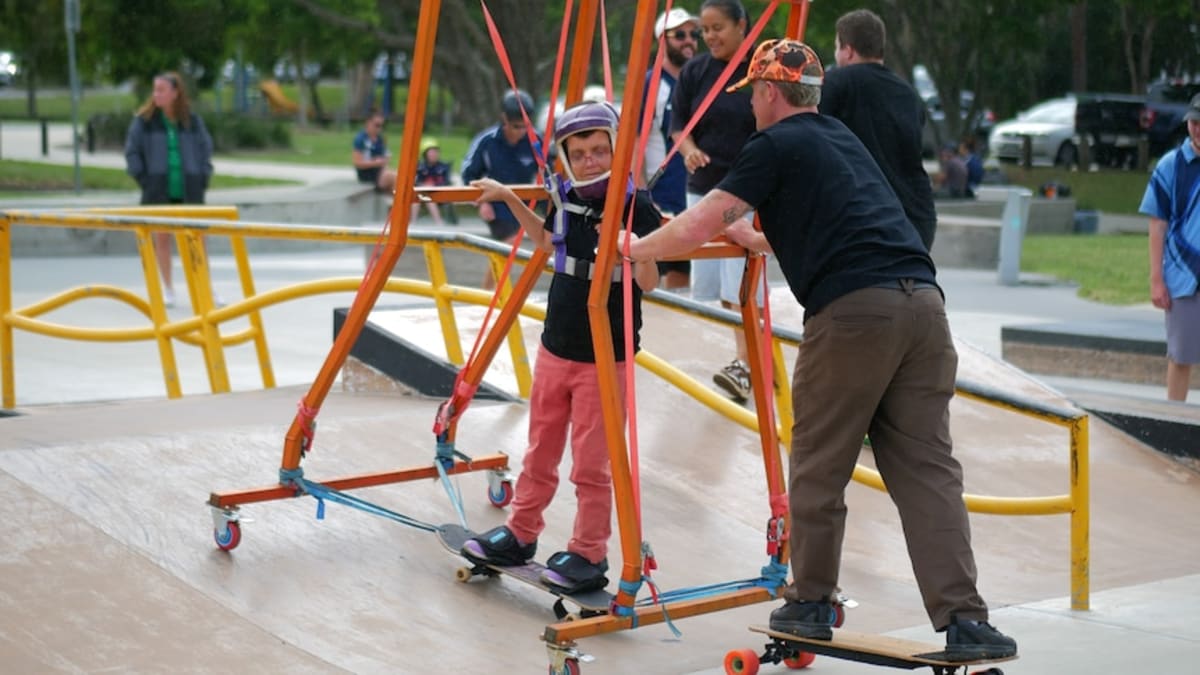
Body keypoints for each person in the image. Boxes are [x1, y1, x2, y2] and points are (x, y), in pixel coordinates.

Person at [620, 38, 1018, 660]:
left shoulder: (773, 143)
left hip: (855, 314)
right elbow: (840, 220)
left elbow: (704, 218)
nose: (751, 107)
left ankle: (808, 603)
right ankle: (967, 620)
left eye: (753, 95)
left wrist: (636, 249)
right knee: (927, 473)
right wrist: (757, 237)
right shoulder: (840, 138)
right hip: (924, 309)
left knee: (818, 464)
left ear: (769, 92)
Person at [460, 101, 661, 593]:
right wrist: (510, 198)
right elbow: (547, 240)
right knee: (540, 451)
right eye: (580, 153)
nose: (591, 161)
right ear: (567, 158)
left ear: (617, 150)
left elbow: (651, 283)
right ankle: (521, 532)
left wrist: (634, 248)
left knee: (592, 464)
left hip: (605, 357)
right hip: (556, 349)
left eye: (600, 151)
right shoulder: (566, 197)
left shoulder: (638, 206)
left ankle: (589, 552)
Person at [671, 0, 763, 402]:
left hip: (746, 191)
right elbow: (678, 126)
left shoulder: (761, 69)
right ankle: (748, 360)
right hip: (704, 189)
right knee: (713, 288)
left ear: (741, 25)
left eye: (716, 28)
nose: (708, 37)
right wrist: (689, 150)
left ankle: (747, 363)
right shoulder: (695, 72)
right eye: (704, 30)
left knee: (741, 282)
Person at [819, 9, 938, 250]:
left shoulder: (836, 83)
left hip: (863, 220)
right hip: (916, 219)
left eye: (837, 47)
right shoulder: (909, 94)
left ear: (848, 50)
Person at [124, 71, 215, 309]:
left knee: (197, 240)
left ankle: (205, 287)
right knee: (162, 239)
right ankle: (168, 288)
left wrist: (203, 176)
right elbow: (132, 151)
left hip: (190, 188)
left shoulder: (192, 121)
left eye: (162, 90)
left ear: (175, 93)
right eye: (155, 90)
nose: (157, 95)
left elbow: (205, 148)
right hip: (158, 189)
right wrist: (144, 179)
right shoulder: (144, 122)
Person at [1139, 93, 1200, 402]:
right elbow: (1157, 224)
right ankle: (1172, 422)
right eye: (1194, 122)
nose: (1198, 129)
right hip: (1183, 278)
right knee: (1180, 357)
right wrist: (1156, 279)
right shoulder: (1171, 165)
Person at [641, 7, 700, 291]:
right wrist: (641, 197)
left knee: (686, 281)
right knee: (654, 282)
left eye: (693, 34)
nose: (689, 40)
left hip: (694, 197)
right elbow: (633, 145)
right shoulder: (650, 84)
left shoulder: (699, 81)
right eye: (680, 35)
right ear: (662, 40)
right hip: (661, 200)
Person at [461, 89, 542, 290]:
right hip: (495, 203)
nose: (521, 132)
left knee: (513, 247)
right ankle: (491, 292)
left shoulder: (535, 141)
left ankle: (492, 291)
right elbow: (469, 174)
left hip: (522, 202)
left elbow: (549, 168)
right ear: (504, 119)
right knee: (509, 243)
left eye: (525, 126)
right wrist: (481, 202)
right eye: (516, 126)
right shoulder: (487, 142)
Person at [352, 110, 396, 192]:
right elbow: (357, 163)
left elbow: (386, 157)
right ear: (368, 123)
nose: (380, 128)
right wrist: (375, 163)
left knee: (398, 177)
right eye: (377, 125)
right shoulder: (361, 139)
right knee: (396, 177)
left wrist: (384, 161)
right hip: (367, 173)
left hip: (380, 172)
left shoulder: (380, 139)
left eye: (382, 126)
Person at [413, 137, 451, 226]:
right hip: (422, 194)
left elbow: (446, 183)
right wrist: (424, 186)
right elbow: (416, 182)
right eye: (431, 152)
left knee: (427, 195)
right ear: (425, 154)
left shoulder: (443, 167)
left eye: (436, 152)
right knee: (419, 195)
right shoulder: (420, 167)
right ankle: (413, 222)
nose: (434, 154)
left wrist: (434, 186)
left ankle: (439, 223)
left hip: (439, 193)